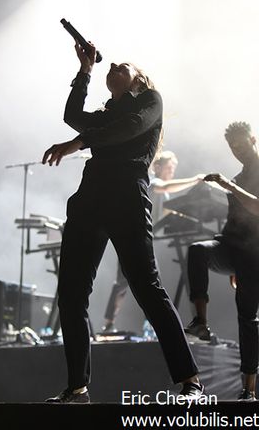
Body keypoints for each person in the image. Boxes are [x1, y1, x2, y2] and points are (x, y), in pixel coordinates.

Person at [42, 41, 204, 403]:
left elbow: (128, 129)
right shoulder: (103, 114)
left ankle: (191, 380)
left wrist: (78, 142)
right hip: (89, 200)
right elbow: (72, 114)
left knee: (147, 287)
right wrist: (85, 72)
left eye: (123, 64)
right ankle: (77, 387)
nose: (113, 63)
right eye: (110, 65)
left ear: (139, 80)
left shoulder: (150, 101)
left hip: (127, 197)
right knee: (70, 294)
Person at [185, 121, 259, 401]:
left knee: (248, 317)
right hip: (233, 248)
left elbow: (256, 208)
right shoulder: (239, 178)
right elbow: (235, 222)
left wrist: (226, 185)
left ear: (253, 139)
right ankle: (201, 322)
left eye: (241, 144)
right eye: (232, 147)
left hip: (255, 254)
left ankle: (248, 390)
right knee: (197, 250)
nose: (237, 151)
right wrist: (230, 261)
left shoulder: (242, 179)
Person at [102, 150, 205, 334]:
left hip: (141, 238)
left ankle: (146, 324)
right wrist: (194, 180)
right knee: (129, 282)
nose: (172, 171)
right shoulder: (152, 182)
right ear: (157, 167)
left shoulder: (162, 194)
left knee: (141, 281)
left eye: (174, 168)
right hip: (130, 234)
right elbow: (165, 187)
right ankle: (113, 324)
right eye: (169, 167)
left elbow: (167, 214)